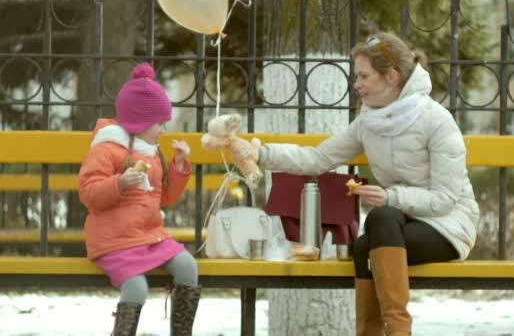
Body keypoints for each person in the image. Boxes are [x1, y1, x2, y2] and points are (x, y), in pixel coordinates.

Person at [227, 32, 480, 335]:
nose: (356, 84)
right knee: (362, 247)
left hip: (448, 225)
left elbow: (445, 198)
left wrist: (389, 197)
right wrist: (261, 152)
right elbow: (318, 158)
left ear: (391, 76)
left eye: (363, 76)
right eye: (356, 76)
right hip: (397, 225)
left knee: (380, 219)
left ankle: (399, 331)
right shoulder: (369, 121)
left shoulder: (436, 120)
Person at [78, 62, 201, 336]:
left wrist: (179, 167)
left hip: (149, 238)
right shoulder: (107, 149)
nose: (163, 130)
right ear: (139, 121)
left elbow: (165, 198)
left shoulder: (152, 153)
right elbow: (88, 193)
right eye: (159, 123)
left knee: (187, 267)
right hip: (114, 242)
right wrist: (119, 183)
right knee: (137, 287)